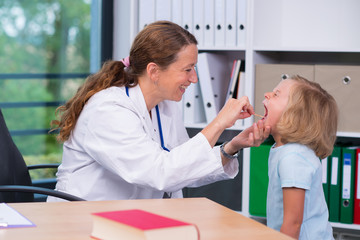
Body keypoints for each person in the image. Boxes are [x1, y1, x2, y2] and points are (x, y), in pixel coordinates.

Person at [47, 20, 270, 202]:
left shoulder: (165, 105)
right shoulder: (108, 110)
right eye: (187, 69)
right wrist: (219, 122)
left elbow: (183, 167)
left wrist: (232, 147)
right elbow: (160, 174)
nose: (194, 78)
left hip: (131, 220)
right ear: (154, 71)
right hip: (82, 221)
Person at [263, 75, 337, 239]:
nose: (267, 94)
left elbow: (293, 223)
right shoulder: (284, 151)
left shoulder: (293, 158)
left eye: (276, 94)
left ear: (294, 115)